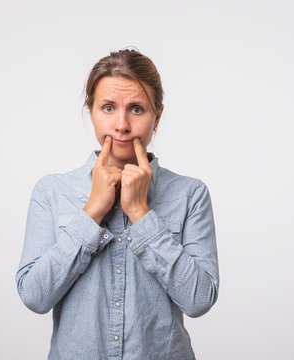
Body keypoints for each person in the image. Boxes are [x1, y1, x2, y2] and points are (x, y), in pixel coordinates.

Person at [16, 49, 219, 360]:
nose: (121, 124)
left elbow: (199, 299)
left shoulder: (190, 194)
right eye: (108, 107)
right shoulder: (52, 191)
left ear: (158, 116)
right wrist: (92, 211)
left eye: (136, 109)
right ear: (91, 111)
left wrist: (141, 213)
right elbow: (35, 296)